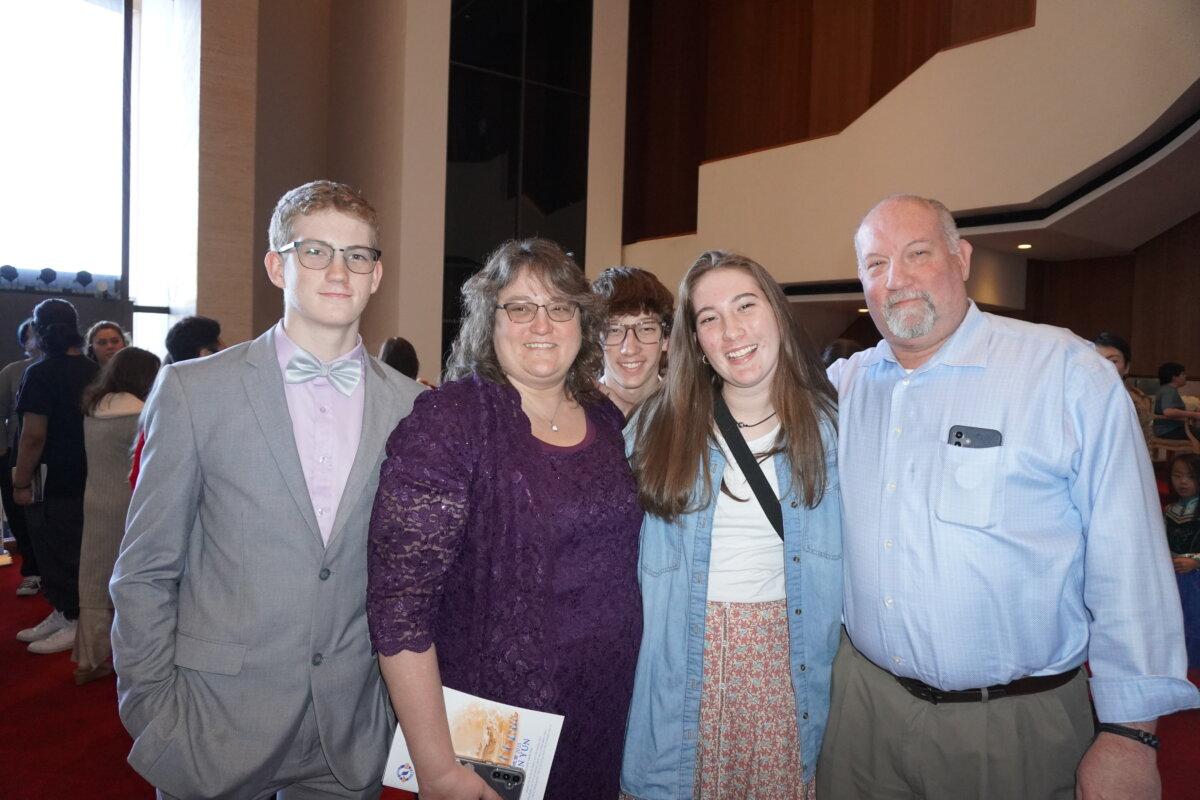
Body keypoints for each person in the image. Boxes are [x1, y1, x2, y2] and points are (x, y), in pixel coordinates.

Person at [819, 194, 1199, 799]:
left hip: (1016, 725)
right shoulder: (845, 387)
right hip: (864, 716)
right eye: (876, 264)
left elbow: (1130, 562)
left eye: (918, 254)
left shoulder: (1066, 374)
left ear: (961, 257)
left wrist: (1133, 734)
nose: (897, 280)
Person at [110, 180, 423, 800]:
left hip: (348, 733)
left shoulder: (413, 408)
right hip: (215, 726)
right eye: (315, 251)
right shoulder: (196, 392)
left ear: (377, 274)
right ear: (277, 265)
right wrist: (152, 711)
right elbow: (145, 571)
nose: (338, 270)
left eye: (357, 255)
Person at [367, 238, 642, 800]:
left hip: (602, 719)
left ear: (582, 324)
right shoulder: (452, 422)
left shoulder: (606, 420)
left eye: (560, 307)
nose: (541, 324)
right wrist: (438, 767)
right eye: (519, 307)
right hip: (491, 738)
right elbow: (399, 609)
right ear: (488, 321)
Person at [619, 251, 841, 800]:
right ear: (694, 340)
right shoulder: (654, 427)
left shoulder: (831, 430)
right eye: (709, 318)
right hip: (674, 664)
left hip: (784, 669)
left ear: (777, 314)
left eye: (745, 305)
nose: (732, 330)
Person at [12, 299, 100, 654]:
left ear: (40, 328)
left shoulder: (40, 372)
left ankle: (74, 618)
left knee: (55, 547)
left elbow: (33, 434)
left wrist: (20, 481)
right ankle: (66, 612)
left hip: (52, 476)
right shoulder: (95, 369)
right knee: (78, 546)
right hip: (90, 472)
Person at [73, 346, 160, 685]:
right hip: (134, 503)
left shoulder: (94, 407)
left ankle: (89, 659)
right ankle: (136, 655)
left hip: (95, 498)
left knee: (93, 577)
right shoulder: (143, 411)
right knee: (134, 579)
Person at [590, 266, 674, 417]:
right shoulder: (573, 413)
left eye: (646, 329)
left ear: (666, 339)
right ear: (596, 339)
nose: (629, 349)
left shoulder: (692, 414)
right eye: (614, 330)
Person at [0, 317, 41, 594]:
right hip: (15, 452)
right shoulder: (13, 372)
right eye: (30, 335)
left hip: (53, 452)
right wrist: (3, 449)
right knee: (19, 515)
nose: (36, 339)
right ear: (23, 342)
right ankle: (32, 571)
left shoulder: (61, 369)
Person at [1165, 453, 1200, 670]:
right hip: (1173, 576)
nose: (1183, 481)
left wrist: (1195, 561)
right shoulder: (1170, 511)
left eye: (1190, 476)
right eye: (1177, 475)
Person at [1152, 362, 1200, 440]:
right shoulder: (1169, 391)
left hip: (1165, 429)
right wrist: (1193, 414)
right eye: (1183, 374)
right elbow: (1168, 411)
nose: (1185, 376)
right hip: (1169, 430)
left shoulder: (1164, 389)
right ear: (1174, 377)